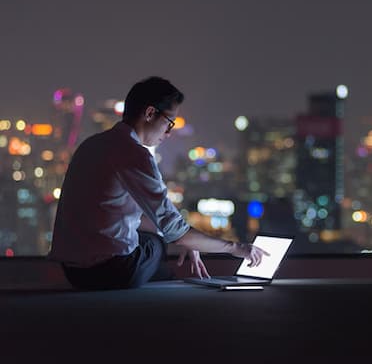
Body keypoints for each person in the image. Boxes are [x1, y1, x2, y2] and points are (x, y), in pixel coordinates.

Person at [48, 76, 268, 290]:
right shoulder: (135, 154)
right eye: (169, 122)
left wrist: (187, 240)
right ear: (150, 113)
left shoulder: (92, 145)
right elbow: (173, 229)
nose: (169, 133)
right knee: (156, 244)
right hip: (112, 270)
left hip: (74, 273)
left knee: (155, 237)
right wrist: (235, 247)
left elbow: (114, 215)